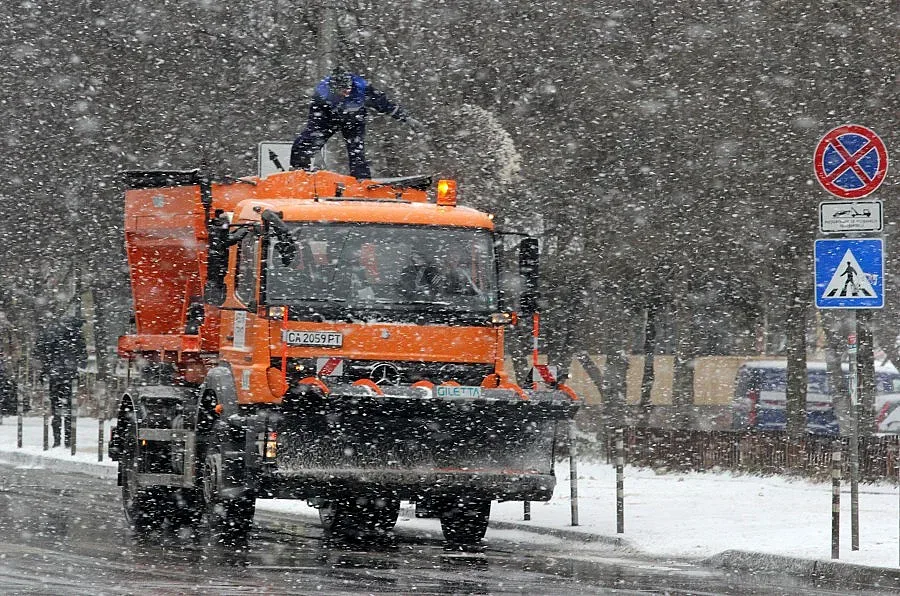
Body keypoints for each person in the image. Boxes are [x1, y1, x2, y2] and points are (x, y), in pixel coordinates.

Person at [290, 67, 422, 179]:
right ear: (333, 88)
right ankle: (299, 174)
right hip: (328, 117)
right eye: (342, 91)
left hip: (354, 119)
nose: (346, 93)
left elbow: (383, 104)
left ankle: (361, 179)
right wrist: (316, 146)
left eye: (348, 90)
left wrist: (406, 118)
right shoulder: (322, 93)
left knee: (356, 151)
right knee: (302, 144)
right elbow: (315, 123)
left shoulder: (361, 87)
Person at [35, 315, 86, 448]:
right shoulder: (76, 336)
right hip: (69, 377)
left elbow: (41, 353)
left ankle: (57, 440)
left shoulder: (51, 334)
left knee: (56, 409)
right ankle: (68, 440)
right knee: (69, 409)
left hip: (54, 376)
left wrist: (46, 370)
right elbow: (83, 359)